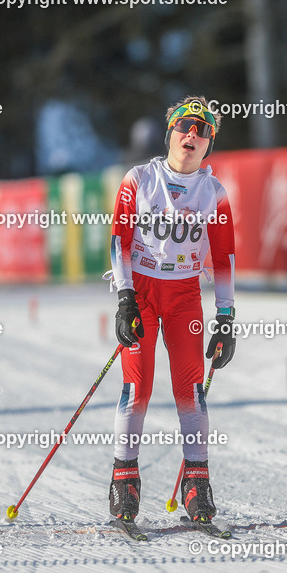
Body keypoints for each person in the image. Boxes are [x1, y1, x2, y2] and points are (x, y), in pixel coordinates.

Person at [107, 96, 236, 526]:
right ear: (170, 134)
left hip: (183, 296)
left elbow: (224, 260)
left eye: (202, 130)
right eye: (184, 126)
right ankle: (124, 479)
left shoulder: (214, 193)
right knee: (138, 386)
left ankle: (196, 483)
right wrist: (125, 297)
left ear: (209, 144)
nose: (192, 134)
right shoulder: (139, 179)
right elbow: (120, 241)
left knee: (190, 389)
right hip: (141, 292)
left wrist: (226, 318)